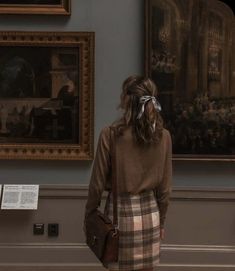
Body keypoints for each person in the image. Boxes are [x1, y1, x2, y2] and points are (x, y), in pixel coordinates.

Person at [84, 75, 172, 271]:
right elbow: (165, 191)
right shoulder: (164, 136)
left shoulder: (110, 134)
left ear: (126, 100)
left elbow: (97, 185)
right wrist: (162, 223)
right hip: (151, 217)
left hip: (119, 218)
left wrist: (89, 215)